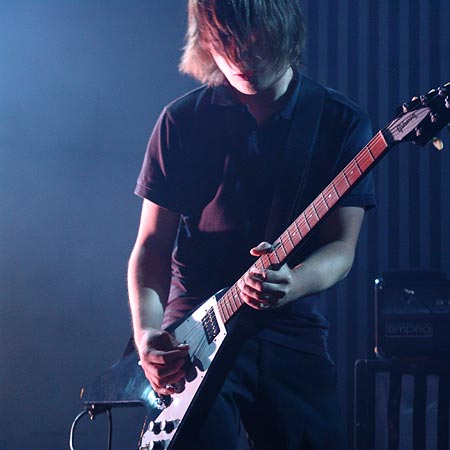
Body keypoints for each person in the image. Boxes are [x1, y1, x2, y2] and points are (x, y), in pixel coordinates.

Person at [127, 0, 375, 448]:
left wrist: (293, 283)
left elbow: (342, 247)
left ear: (285, 31)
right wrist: (146, 334)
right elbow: (151, 246)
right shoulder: (181, 121)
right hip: (195, 329)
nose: (239, 56)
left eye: (254, 39)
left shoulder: (339, 122)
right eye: (223, 42)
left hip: (289, 324)